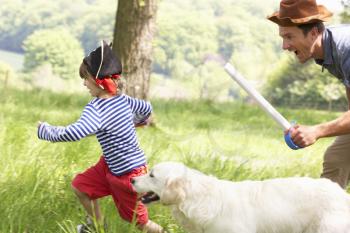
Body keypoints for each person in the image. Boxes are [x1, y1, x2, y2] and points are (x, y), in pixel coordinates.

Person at [37, 41, 165, 233]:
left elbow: (75, 132)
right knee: (81, 187)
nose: (83, 83)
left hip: (129, 175)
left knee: (140, 223)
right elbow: (146, 108)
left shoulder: (96, 108)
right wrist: (137, 121)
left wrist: (46, 131)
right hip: (109, 165)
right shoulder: (123, 99)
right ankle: (96, 227)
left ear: (98, 81)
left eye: (86, 78)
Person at [267, 0, 350, 189]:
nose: (285, 46)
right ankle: (327, 215)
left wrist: (317, 130)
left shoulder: (347, 48)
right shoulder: (328, 52)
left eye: (289, 37)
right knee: (337, 158)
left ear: (313, 33)